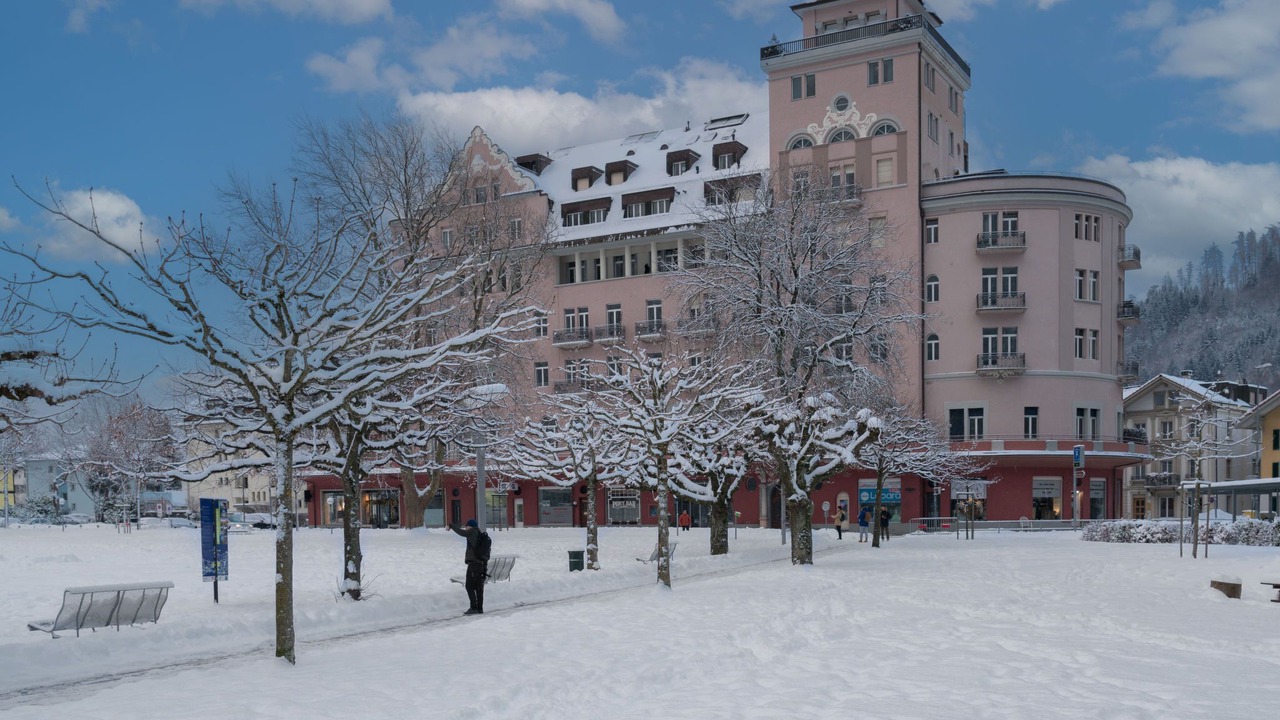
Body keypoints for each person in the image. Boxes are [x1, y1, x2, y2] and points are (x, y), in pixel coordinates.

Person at [449, 518, 486, 615]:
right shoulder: (479, 533)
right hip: (480, 564)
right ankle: (479, 608)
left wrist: (451, 526)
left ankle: (473, 607)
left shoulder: (472, 532)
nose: (466, 528)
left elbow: (461, 532)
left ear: (470, 526)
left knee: (469, 586)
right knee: (478, 587)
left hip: (473, 564)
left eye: (466, 526)